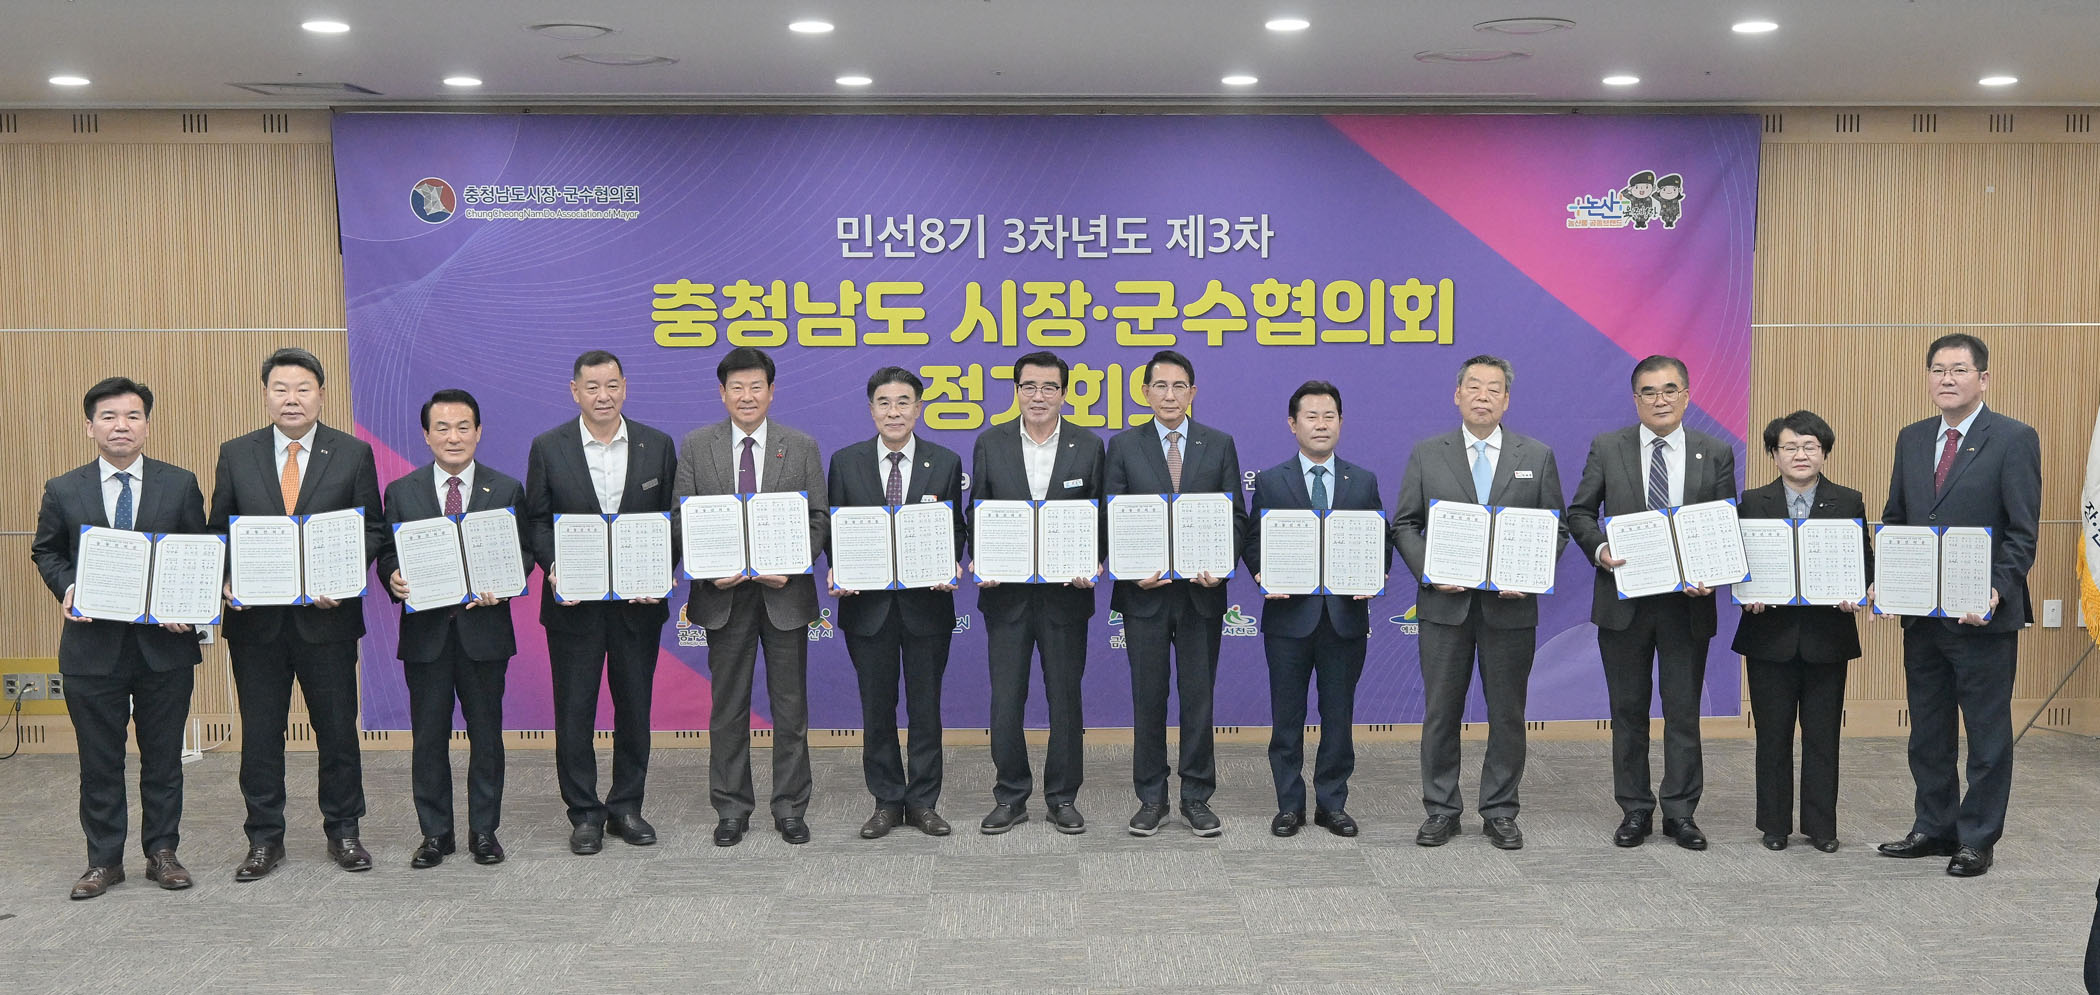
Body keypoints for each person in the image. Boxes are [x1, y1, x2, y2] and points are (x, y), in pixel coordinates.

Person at [208, 347, 387, 879]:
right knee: (261, 734)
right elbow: (219, 530)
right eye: (281, 389)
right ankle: (264, 838)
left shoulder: (352, 453)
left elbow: (372, 528)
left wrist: (345, 577)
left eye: (303, 388)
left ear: (321, 395)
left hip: (328, 621)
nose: (292, 398)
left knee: (337, 731)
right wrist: (226, 579)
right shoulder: (236, 453)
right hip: (256, 624)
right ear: (265, 395)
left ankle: (344, 831)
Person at [30, 377, 207, 898]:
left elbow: (198, 552)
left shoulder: (180, 484)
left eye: (132, 416)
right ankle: (104, 860)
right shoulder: (64, 488)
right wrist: (68, 587)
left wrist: (186, 605)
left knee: (164, 758)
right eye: (108, 417)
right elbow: (47, 551)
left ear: (147, 425)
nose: (121, 426)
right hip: (92, 650)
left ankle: (162, 853)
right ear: (90, 427)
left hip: (164, 649)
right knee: (99, 761)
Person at [1873, 333, 2041, 878]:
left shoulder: (2014, 438)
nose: (1947, 379)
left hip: (1983, 617)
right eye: (1938, 369)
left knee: (1987, 736)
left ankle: (1977, 839)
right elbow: (1897, 519)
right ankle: (1933, 827)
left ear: (1983, 379)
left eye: (1960, 369)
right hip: (1923, 617)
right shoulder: (1912, 437)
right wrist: (1885, 580)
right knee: (1928, 732)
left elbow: (2022, 532)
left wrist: (1997, 589)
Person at [1390, 355, 1565, 851]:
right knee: (1440, 712)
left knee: (1507, 714)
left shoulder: (1537, 455)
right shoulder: (1428, 454)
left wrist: (1529, 575)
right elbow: (1405, 524)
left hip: (1511, 610)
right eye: (1473, 386)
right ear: (1457, 395)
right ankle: (1441, 809)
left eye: (1493, 388)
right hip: (1445, 609)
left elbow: (1555, 529)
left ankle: (1500, 810)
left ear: (1506, 400)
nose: (1482, 395)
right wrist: (1431, 571)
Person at [1567, 354, 1738, 851]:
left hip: (1687, 605)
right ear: (1635, 399)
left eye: (1669, 390)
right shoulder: (1608, 447)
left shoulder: (1714, 451)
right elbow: (1580, 512)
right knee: (1628, 711)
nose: (1660, 400)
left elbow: (1722, 524)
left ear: (1686, 395)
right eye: (1649, 391)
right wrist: (1600, 550)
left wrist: (1713, 573)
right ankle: (1635, 809)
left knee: (1683, 713)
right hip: (1624, 604)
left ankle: (1681, 812)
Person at [523, 350, 680, 855]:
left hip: (638, 604)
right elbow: (537, 521)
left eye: (612, 385)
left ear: (625, 387)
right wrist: (554, 566)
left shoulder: (657, 445)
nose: (603, 396)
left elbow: (672, 520)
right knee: (575, 711)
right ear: (575, 392)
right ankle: (585, 813)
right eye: (592, 387)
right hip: (574, 606)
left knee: (634, 707)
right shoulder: (549, 447)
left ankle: (627, 806)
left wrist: (661, 569)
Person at [675, 346, 829, 847]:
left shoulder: (800, 445)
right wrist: (707, 568)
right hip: (723, 598)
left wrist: (792, 562)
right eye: (736, 388)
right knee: (728, 709)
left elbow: (819, 518)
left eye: (756, 386)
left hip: (785, 595)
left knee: (790, 709)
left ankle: (790, 807)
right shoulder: (697, 446)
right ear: (722, 393)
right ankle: (731, 809)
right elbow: (681, 518)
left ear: (771, 391)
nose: (747, 396)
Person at [377, 389, 526, 868]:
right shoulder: (403, 491)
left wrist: (506, 583)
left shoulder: (506, 489)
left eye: (463, 427)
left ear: (479, 432)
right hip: (427, 635)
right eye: (442, 428)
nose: (453, 437)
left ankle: (484, 831)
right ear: (426, 435)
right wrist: (393, 577)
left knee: (487, 737)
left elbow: (522, 552)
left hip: (484, 633)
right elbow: (387, 552)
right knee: (428, 738)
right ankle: (435, 834)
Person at [1104, 349, 1247, 837]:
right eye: (1160, 386)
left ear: (1193, 392)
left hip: (1200, 596)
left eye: (1179, 386)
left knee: (1198, 699)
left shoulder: (1219, 444)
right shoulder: (1124, 446)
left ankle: (1196, 797)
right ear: (1145, 392)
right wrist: (1129, 572)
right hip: (1144, 596)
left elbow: (1236, 517)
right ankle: (1151, 798)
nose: (1170, 395)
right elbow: (1111, 516)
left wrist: (1221, 567)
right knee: (1148, 699)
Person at [825, 367, 967, 839]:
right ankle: (886, 801)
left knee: (926, 710)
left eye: (903, 402)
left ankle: (923, 802)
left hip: (927, 607)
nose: (894, 412)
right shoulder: (845, 462)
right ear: (871, 410)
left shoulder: (944, 461)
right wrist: (839, 568)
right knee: (877, 710)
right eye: (884, 403)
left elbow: (956, 527)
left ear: (918, 408)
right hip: (867, 609)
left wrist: (950, 562)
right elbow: (836, 528)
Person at [968, 350, 1104, 835]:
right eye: (1029, 386)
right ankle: (1010, 795)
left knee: (1065, 700)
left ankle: (1063, 797)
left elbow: (1099, 516)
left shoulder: (1089, 445)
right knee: (1006, 701)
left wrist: (1095, 561)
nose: (1039, 396)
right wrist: (980, 560)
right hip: (1006, 597)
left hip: (1066, 596)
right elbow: (977, 512)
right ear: (1016, 392)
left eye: (1049, 387)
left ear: (1064, 394)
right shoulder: (991, 442)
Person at [1244, 380, 1386, 838]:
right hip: (1288, 619)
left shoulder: (1362, 480)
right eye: (1311, 416)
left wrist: (1376, 573)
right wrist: (1261, 573)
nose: (1321, 424)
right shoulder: (1271, 480)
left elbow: (1379, 538)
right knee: (1287, 719)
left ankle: (1332, 804)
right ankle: (1289, 805)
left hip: (1344, 619)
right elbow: (1253, 539)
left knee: (1338, 718)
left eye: (1329, 416)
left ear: (1341, 422)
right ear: (1293, 424)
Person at [1733, 410, 1868, 853]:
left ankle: (1821, 826)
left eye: (1810, 446)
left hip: (1828, 637)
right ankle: (1774, 824)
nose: (1800, 454)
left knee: (1823, 738)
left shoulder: (1848, 501)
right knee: (1772, 737)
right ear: (1774, 455)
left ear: (1824, 452)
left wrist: (1856, 591)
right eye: (1789, 447)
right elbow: (1738, 563)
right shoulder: (1751, 502)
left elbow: (1862, 560)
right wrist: (1745, 591)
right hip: (1768, 637)